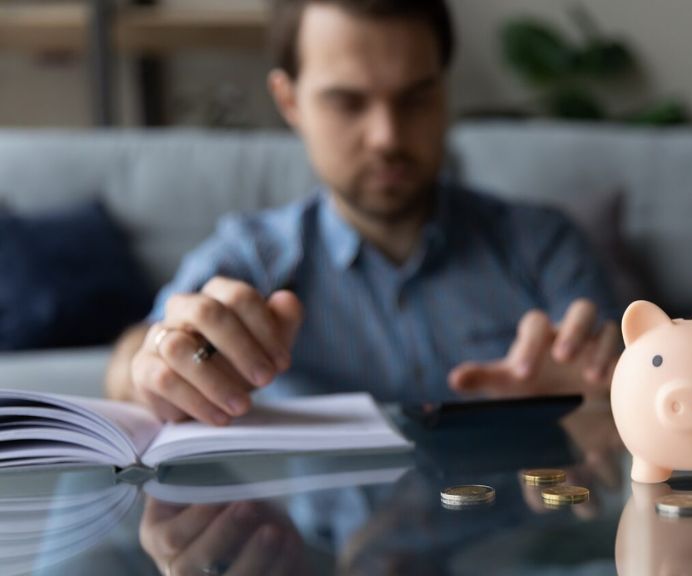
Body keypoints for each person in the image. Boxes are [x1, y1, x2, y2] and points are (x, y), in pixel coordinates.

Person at [104, 0, 621, 426]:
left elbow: (621, 384)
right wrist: (150, 363)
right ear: (289, 102)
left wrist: (600, 396)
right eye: (348, 102)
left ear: (443, 91)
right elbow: (141, 359)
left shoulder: (543, 244)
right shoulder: (251, 258)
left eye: (415, 99)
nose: (387, 137)